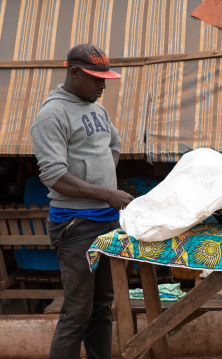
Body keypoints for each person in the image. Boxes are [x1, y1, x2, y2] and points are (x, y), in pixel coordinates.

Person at [31, 43, 134, 359]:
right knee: (77, 311)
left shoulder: (96, 108)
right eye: (95, 79)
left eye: (105, 79)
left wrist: (102, 174)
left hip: (106, 223)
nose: (102, 86)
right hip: (76, 227)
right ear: (74, 72)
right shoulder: (52, 114)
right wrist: (106, 192)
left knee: (102, 307)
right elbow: (54, 176)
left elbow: (113, 144)